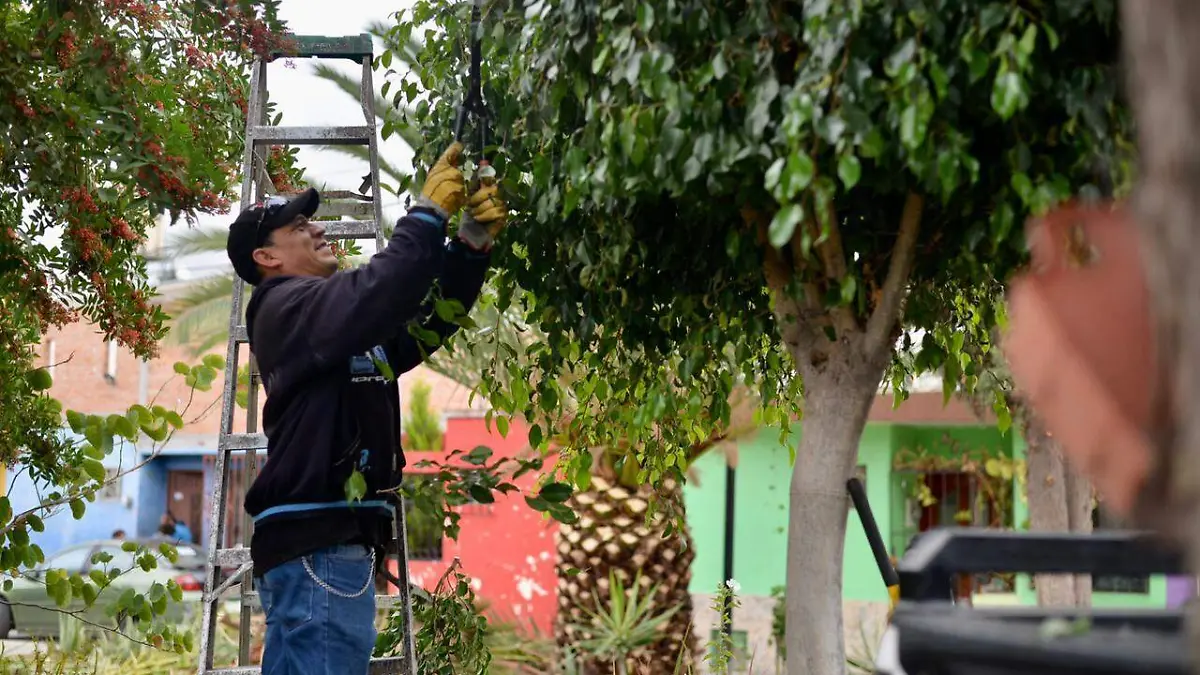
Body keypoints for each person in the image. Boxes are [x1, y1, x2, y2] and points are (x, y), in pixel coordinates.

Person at [224, 143, 505, 674]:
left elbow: (422, 324)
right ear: (267, 258)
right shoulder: (285, 307)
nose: (318, 229)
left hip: (320, 545)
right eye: (299, 226)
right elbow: (380, 289)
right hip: (318, 541)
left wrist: (470, 247)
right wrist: (427, 215)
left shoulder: (331, 329)